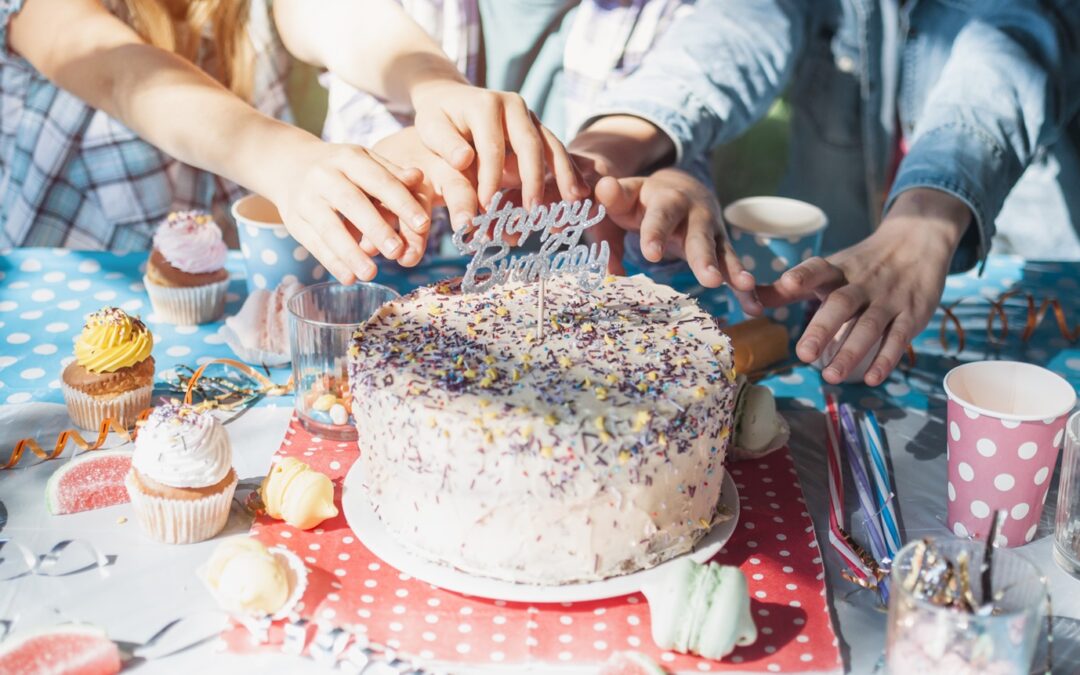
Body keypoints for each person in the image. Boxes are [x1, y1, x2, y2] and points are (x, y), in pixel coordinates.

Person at [580, 0, 1080, 386]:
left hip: (1021, 299)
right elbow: (743, 25)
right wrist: (612, 144)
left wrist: (926, 221)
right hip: (848, 287)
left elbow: (1022, 37)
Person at [0, 0, 583, 284]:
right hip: (69, 313)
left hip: (232, 321)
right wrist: (289, 161)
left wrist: (434, 84)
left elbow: (341, 17)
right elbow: (120, 74)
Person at [315, 0, 762, 307]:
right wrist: (427, 94)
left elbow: (736, 40)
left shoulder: (684, 15)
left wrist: (619, 162)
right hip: (384, 305)